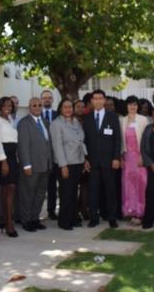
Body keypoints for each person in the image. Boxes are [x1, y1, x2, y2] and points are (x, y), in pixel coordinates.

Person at [83, 89, 122, 228]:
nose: (98, 101)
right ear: (92, 101)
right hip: (93, 161)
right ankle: (94, 218)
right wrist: (86, 159)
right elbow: (84, 140)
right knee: (93, 191)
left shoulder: (112, 117)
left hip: (109, 160)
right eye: (95, 98)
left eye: (101, 98)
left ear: (104, 100)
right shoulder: (86, 118)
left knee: (110, 190)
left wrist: (116, 157)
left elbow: (117, 139)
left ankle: (112, 217)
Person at [51, 99, 89, 230]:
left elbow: (80, 141)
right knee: (66, 193)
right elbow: (57, 146)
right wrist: (63, 166)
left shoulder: (75, 121)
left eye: (70, 107)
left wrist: (85, 159)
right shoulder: (56, 124)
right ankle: (64, 221)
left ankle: (73, 218)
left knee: (73, 193)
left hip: (78, 162)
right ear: (60, 109)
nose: (68, 109)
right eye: (65, 107)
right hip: (66, 163)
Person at [18, 97, 53, 231]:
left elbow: (48, 144)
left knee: (40, 194)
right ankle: (26, 221)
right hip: (31, 166)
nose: (37, 107)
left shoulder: (45, 122)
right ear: (29, 107)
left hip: (45, 165)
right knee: (28, 194)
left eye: (39, 105)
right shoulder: (24, 123)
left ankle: (34, 218)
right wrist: (26, 165)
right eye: (34, 105)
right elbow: (23, 146)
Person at [0, 96, 20, 237]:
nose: (8, 107)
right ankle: (9, 224)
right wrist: (4, 161)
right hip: (4, 157)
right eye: (5, 104)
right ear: (0, 106)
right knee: (9, 189)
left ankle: (4, 219)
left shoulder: (11, 120)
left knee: (7, 189)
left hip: (13, 156)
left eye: (10, 105)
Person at [119, 96, 149, 224]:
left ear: (138, 106)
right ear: (126, 106)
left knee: (141, 183)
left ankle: (141, 212)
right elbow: (120, 141)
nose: (132, 107)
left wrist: (143, 156)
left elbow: (146, 140)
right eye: (130, 104)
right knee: (128, 184)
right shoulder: (122, 120)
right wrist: (120, 156)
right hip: (127, 157)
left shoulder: (143, 120)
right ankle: (130, 211)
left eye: (135, 105)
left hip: (139, 156)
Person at [40, 90, 59, 221]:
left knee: (53, 186)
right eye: (44, 98)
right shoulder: (36, 115)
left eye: (49, 98)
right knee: (40, 186)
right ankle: (35, 211)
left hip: (57, 156)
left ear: (52, 100)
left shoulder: (58, 115)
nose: (47, 100)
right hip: (41, 156)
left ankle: (51, 211)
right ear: (41, 100)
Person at [74, 99, 90, 221]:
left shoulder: (88, 120)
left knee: (85, 185)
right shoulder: (70, 121)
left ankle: (83, 209)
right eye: (78, 106)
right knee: (74, 186)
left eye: (82, 107)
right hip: (73, 156)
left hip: (87, 156)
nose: (80, 109)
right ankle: (74, 211)